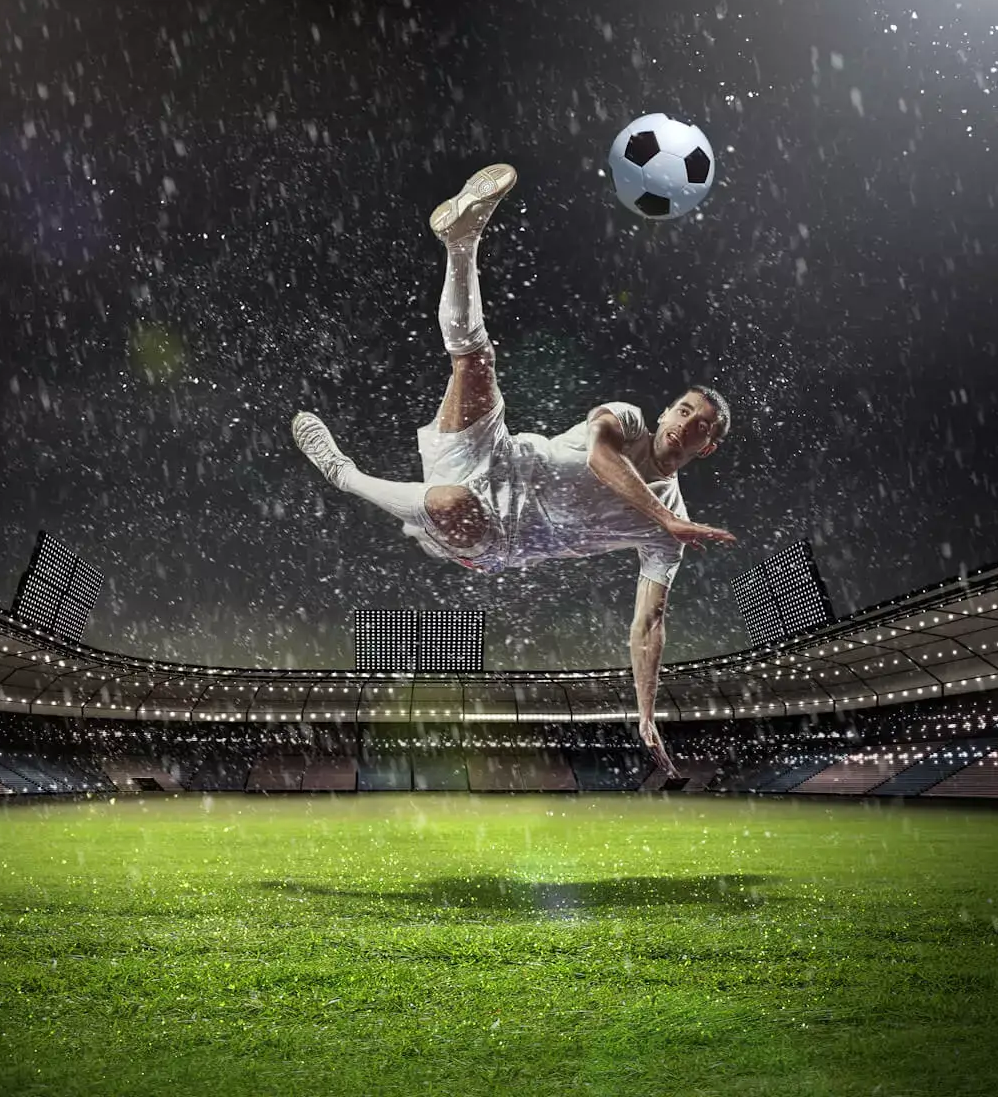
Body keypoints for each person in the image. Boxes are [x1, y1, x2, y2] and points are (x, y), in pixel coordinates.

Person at [292, 164, 736, 777]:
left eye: (701, 425)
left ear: (706, 446)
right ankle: (462, 241)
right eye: (684, 408)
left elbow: (649, 623)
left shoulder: (669, 535)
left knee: (446, 505)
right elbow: (604, 458)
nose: (686, 422)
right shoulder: (629, 422)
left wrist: (646, 713)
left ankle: (344, 474)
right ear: (666, 410)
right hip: (496, 453)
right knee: (475, 362)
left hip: (496, 535)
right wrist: (666, 517)